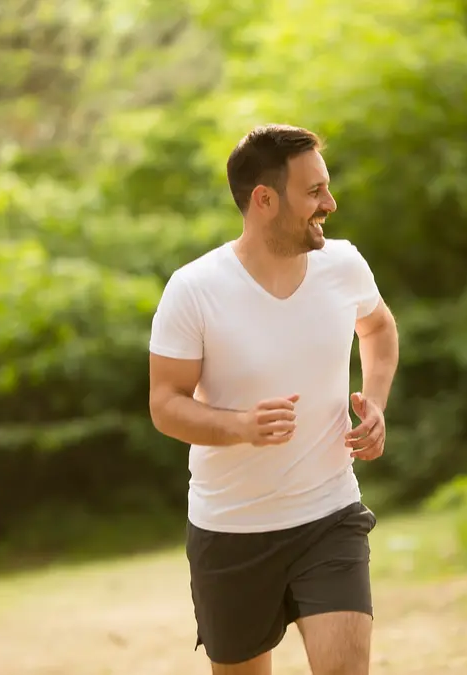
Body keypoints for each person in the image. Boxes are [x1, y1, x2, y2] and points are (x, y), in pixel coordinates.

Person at [147, 123, 400, 675]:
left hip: (328, 513)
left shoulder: (344, 265)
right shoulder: (194, 289)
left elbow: (378, 329)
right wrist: (239, 426)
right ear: (264, 199)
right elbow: (165, 403)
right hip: (230, 531)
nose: (329, 204)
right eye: (314, 192)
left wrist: (376, 402)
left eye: (326, 188)